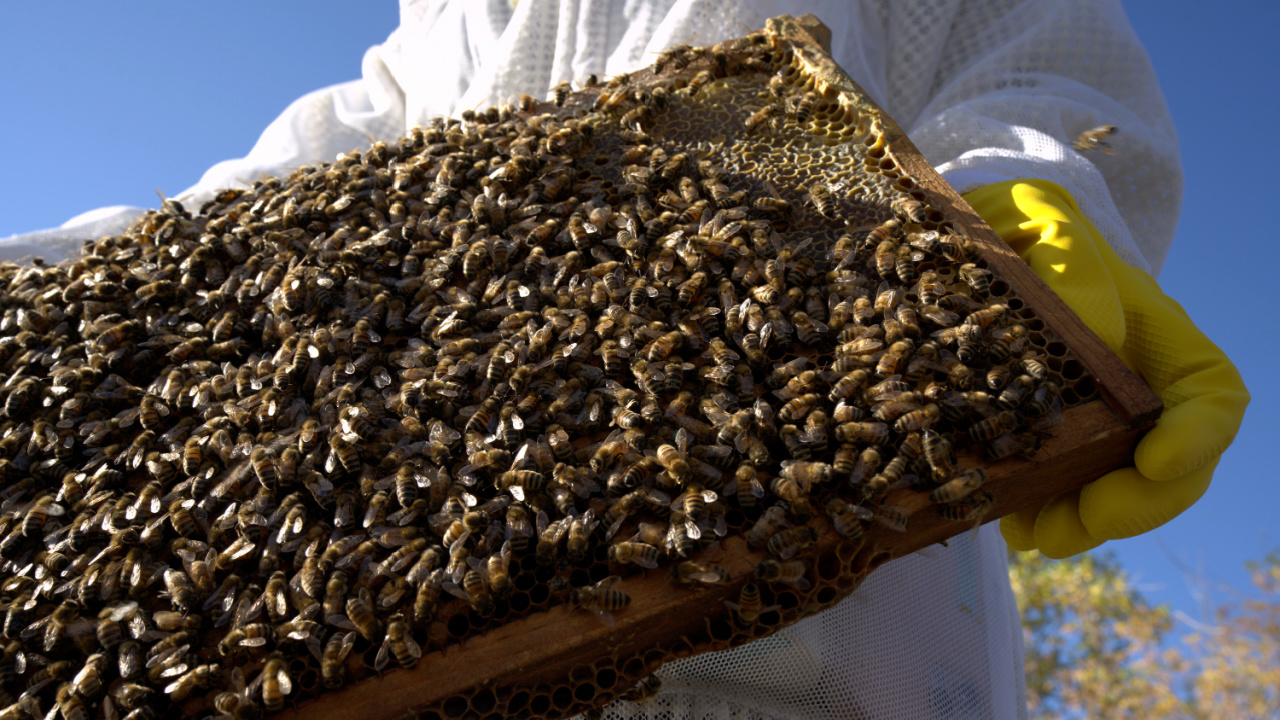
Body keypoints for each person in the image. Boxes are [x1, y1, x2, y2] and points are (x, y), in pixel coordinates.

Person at [3, 2, 1248, 718]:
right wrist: (37, 277)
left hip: (816, 477)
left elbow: (1039, 65)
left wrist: (1010, 192)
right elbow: (282, 198)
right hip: (431, 512)